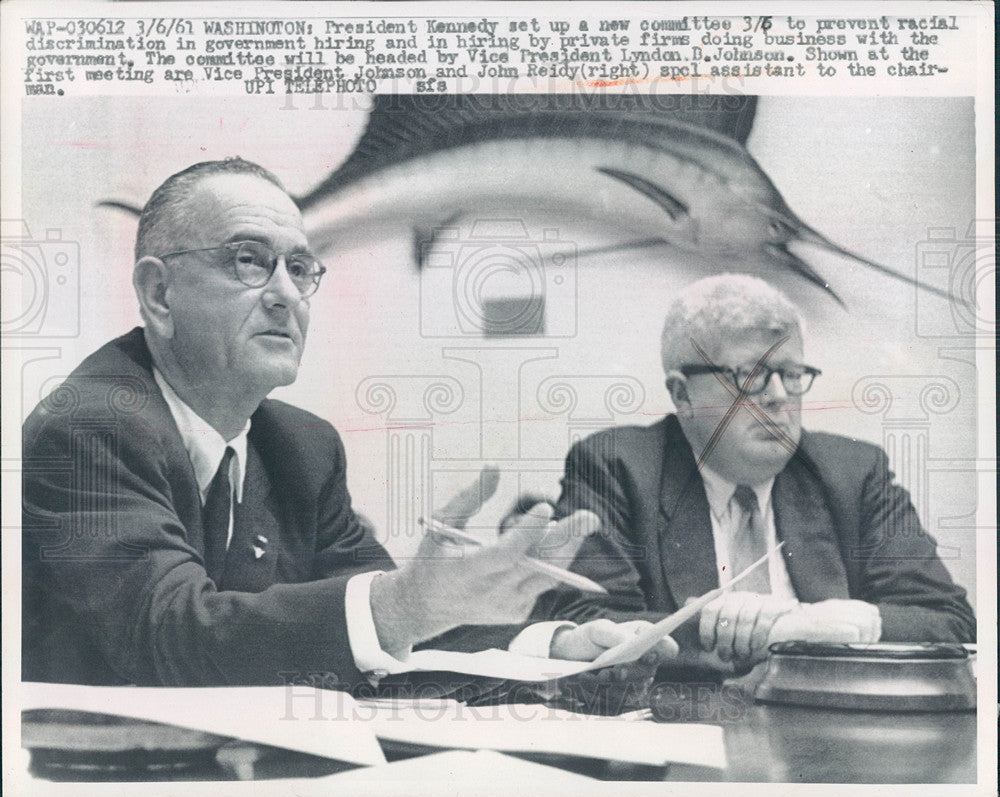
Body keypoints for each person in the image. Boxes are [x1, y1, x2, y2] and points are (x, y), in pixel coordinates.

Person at [21, 158, 674, 688]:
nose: (285, 293)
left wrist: (551, 639)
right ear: (159, 293)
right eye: (249, 259)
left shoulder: (302, 447)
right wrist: (402, 604)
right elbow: (168, 636)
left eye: (301, 268)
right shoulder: (87, 427)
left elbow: (382, 603)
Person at [534, 273, 975, 675]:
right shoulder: (617, 466)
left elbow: (950, 621)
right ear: (682, 394)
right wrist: (760, 630)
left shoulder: (854, 471)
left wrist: (825, 626)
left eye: (791, 373)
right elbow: (590, 623)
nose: (779, 396)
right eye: (750, 376)